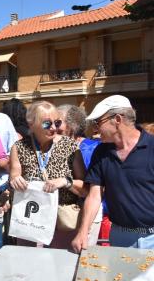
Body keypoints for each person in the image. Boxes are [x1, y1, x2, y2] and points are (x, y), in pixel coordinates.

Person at [72, 95, 154, 251]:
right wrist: (83, 231)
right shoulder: (101, 152)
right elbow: (95, 195)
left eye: (98, 123)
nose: (95, 129)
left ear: (117, 119)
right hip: (119, 237)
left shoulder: (152, 147)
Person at [9, 101, 87, 249]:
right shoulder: (19, 147)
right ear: (31, 124)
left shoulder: (70, 147)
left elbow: (86, 189)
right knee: (28, 267)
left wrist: (66, 182)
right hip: (30, 221)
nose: (53, 128)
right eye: (46, 124)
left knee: (61, 267)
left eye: (56, 123)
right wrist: (15, 181)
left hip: (62, 221)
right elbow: (13, 177)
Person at [56, 104, 103, 246]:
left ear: (72, 125)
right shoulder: (53, 147)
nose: (52, 126)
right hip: (62, 217)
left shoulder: (93, 148)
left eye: (58, 122)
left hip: (87, 216)